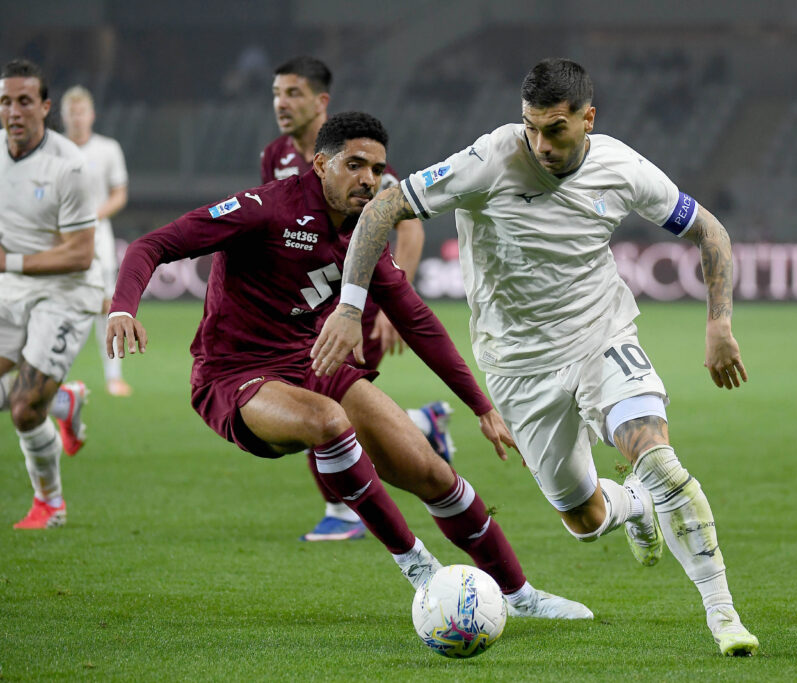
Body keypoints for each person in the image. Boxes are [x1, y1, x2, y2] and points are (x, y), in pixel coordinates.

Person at [317, 58, 760, 656]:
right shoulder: (492, 159)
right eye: (530, 127)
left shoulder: (620, 166)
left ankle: (723, 615)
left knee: (656, 455)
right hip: (517, 364)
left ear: (588, 118)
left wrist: (719, 322)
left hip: (601, 335)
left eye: (555, 128)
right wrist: (349, 308)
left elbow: (709, 230)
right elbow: (381, 209)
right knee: (583, 519)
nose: (540, 143)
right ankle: (633, 504)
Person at [106, 111, 592, 620]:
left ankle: (521, 596)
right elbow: (153, 244)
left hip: (311, 364)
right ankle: (420, 569)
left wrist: (481, 407)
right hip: (234, 376)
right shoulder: (263, 209)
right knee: (327, 421)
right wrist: (123, 306)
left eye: (377, 170)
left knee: (431, 471)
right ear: (320, 163)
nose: (368, 179)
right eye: (354, 165)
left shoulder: (364, 234)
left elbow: (416, 318)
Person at [262, 56, 450, 542]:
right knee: (331, 396)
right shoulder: (275, 156)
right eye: (277, 93)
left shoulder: (358, 155)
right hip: (305, 300)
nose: (282, 102)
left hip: (353, 297)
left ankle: (344, 512)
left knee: (319, 389)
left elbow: (405, 222)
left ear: (321, 101)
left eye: (294, 93)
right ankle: (421, 422)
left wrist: (391, 300)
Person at [0, 59, 95, 529]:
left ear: (44, 106)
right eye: (4, 102)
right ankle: (65, 401)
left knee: (23, 408)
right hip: (11, 287)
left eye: (23, 101)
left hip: (65, 291)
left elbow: (80, 254)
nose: (13, 111)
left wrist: (9, 261)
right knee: (27, 397)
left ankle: (50, 504)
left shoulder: (70, 167)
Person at [60, 85, 132, 397]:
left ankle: (113, 376)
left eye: (81, 112)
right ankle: (56, 377)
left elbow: (120, 193)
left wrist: (95, 216)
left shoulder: (108, 149)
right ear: (64, 116)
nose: (77, 118)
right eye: (71, 113)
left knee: (107, 307)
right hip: (60, 240)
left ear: (91, 115)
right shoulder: (54, 149)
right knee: (61, 307)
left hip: (98, 239)